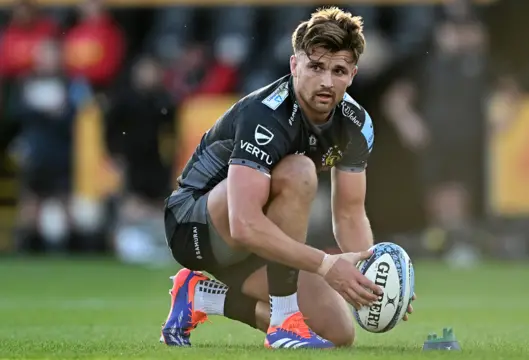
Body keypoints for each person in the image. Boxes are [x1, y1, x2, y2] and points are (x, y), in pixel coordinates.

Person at [161, 7, 416, 349]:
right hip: (196, 224)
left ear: (353, 74)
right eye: (316, 67)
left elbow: (350, 213)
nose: (326, 81)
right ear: (295, 65)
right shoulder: (264, 115)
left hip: (258, 238)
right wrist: (326, 264)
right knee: (299, 170)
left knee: (338, 333)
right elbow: (243, 223)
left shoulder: (355, 126)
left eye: (338, 70)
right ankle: (284, 322)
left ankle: (198, 297)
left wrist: (369, 281)